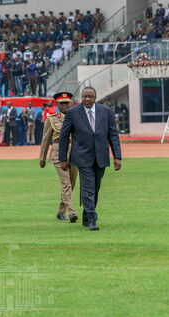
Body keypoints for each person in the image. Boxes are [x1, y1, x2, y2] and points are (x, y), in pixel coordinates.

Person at [59, 87, 122, 231]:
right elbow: (63, 137)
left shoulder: (105, 112)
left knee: (95, 188)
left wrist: (117, 156)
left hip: (101, 157)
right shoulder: (73, 113)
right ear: (81, 98)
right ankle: (93, 219)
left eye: (90, 96)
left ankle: (87, 217)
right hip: (82, 157)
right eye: (85, 96)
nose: (87, 99)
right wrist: (63, 158)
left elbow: (113, 135)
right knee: (88, 189)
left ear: (95, 98)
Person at [40, 92, 78, 221]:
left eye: (66, 103)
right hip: (57, 153)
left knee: (71, 184)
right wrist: (42, 158)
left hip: (73, 153)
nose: (65, 106)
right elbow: (45, 140)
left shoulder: (76, 117)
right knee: (66, 183)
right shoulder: (52, 119)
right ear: (57, 104)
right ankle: (72, 212)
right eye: (62, 103)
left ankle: (60, 211)